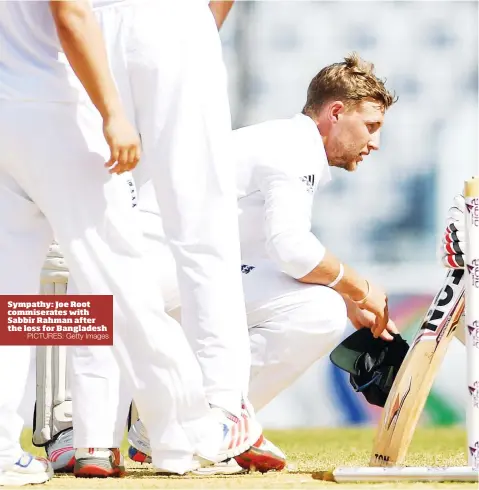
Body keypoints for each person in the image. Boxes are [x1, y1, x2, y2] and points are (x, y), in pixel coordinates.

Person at [42, 52, 398, 476]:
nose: (375, 143)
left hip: (162, 271)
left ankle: (185, 428)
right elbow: (292, 250)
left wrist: (343, 292)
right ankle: (198, 428)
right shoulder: (294, 148)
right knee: (319, 311)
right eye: (371, 127)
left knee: (320, 306)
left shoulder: (277, 142)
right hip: (150, 268)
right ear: (335, 112)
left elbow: (265, 249)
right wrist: (359, 288)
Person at [0, 0, 264, 484]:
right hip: (103, 55)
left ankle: (88, 433)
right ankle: (198, 424)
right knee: (169, 249)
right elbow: (68, 13)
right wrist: (114, 112)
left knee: (21, 290)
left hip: (24, 90)